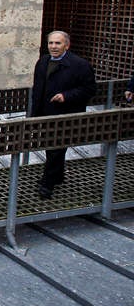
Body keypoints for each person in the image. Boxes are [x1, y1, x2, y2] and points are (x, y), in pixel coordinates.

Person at [31, 31, 96, 199]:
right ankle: (57, 176)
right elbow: (38, 88)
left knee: (56, 148)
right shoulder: (43, 61)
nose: (53, 46)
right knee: (52, 147)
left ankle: (47, 184)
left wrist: (66, 96)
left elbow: (89, 89)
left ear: (67, 45)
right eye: (51, 43)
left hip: (66, 114)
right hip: (46, 112)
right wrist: (34, 113)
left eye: (58, 43)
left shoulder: (80, 65)